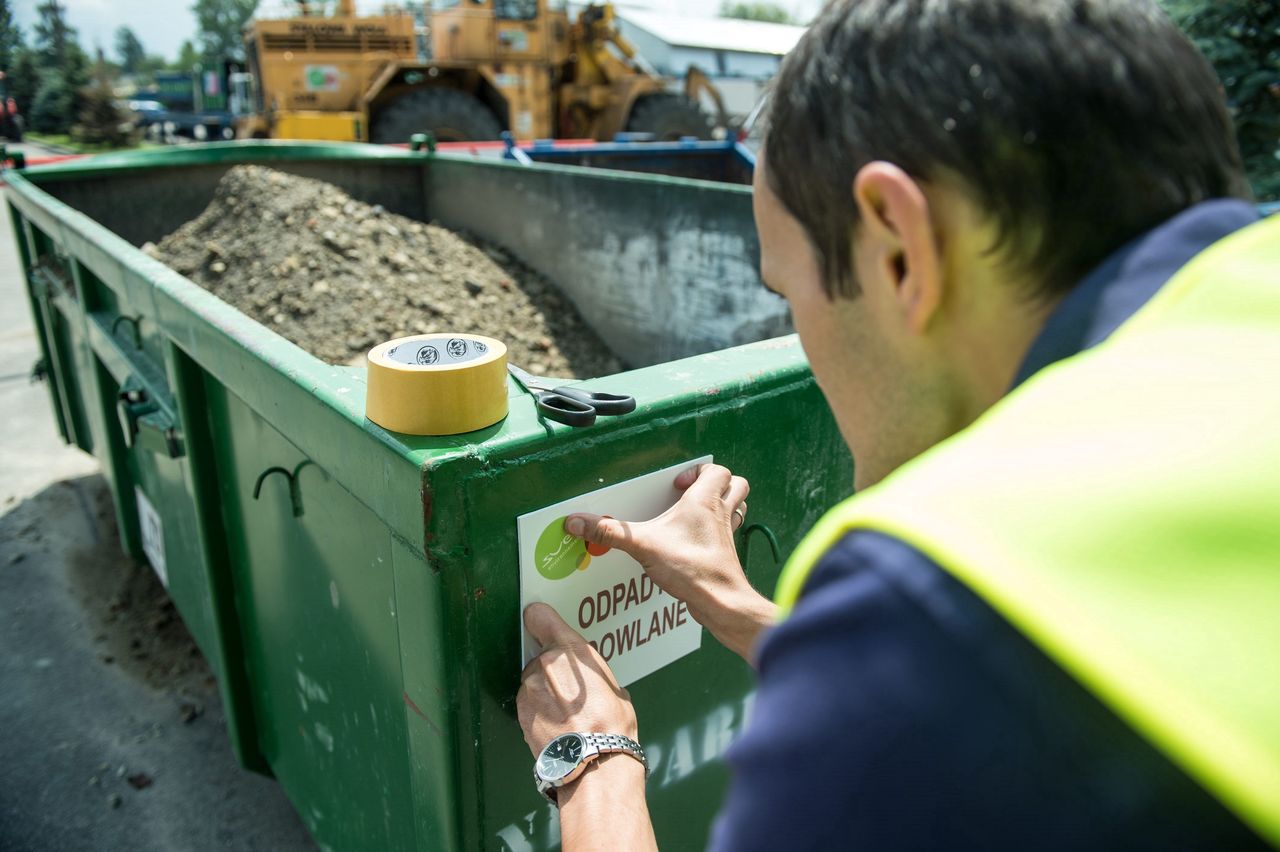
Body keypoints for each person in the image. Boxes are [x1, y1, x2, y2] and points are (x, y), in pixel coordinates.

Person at [517, 0, 1279, 848]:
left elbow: (953, 680)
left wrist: (592, 765)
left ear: (898, 246)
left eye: (789, 295)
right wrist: (740, 610)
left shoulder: (929, 598)